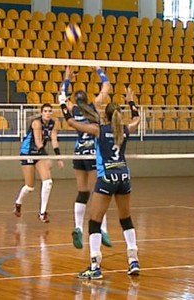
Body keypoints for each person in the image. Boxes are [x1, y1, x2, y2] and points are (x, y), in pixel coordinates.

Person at [59, 95, 141, 280]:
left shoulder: (99, 130)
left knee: (94, 222)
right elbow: (137, 119)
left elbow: (72, 123)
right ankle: (133, 260)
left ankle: (95, 266)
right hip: (124, 176)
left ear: (105, 116)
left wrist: (63, 105)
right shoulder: (126, 130)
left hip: (107, 178)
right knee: (126, 219)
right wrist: (132, 103)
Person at [61, 66, 112, 249]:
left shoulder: (73, 110)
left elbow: (61, 97)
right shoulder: (94, 107)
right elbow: (106, 87)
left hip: (78, 154)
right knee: (98, 193)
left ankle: (77, 227)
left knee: (82, 192)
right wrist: (98, 70)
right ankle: (103, 229)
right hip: (92, 154)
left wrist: (67, 79)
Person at [12, 103, 64, 223]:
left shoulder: (53, 123)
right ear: (41, 113)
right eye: (45, 111)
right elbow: (38, 142)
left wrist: (59, 158)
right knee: (30, 187)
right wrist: (47, 158)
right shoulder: (36, 123)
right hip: (28, 153)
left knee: (48, 182)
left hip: (39, 154)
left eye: (49, 111)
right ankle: (18, 203)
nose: (47, 113)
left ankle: (42, 213)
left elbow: (54, 141)